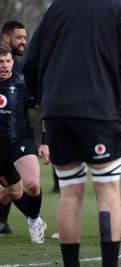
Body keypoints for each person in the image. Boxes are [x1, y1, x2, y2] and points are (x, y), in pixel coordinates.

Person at [23, 0, 121, 266]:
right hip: (99, 112)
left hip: (58, 113)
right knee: (107, 190)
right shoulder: (118, 10)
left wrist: (45, 99)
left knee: (70, 194)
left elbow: (30, 61)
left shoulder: (57, 9)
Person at [0, 44, 48, 244]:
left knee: (33, 185)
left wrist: (45, 142)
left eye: (8, 61)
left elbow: (47, 108)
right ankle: (35, 219)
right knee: (14, 192)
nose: (4, 65)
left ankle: (34, 221)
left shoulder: (22, 83)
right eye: (0, 62)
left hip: (21, 141)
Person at [0, 20, 28, 234]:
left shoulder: (16, 64)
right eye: (19, 37)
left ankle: (2, 218)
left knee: (13, 183)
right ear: (6, 38)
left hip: (13, 136)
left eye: (25, 38)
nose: (23, 42)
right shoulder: (9, 63)